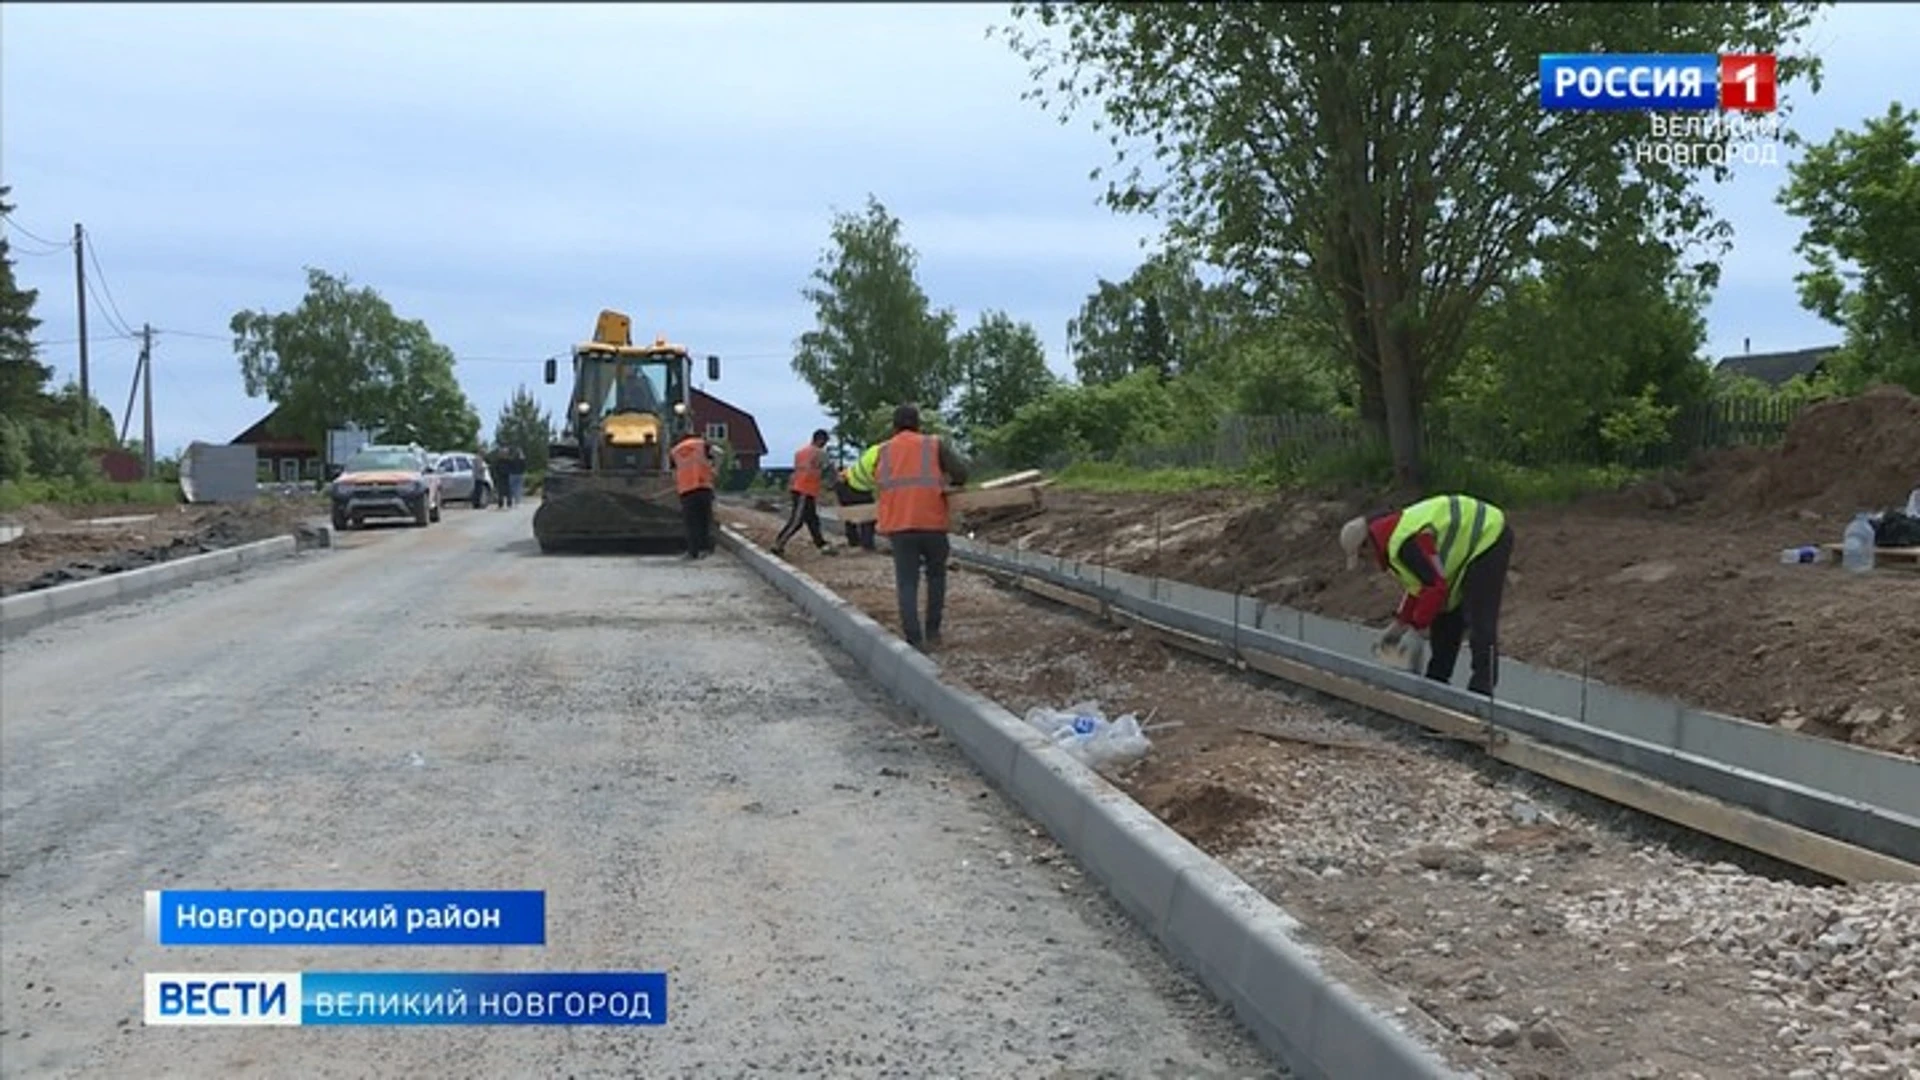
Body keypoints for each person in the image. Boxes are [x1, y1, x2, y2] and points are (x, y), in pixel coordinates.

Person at [1338, 493, 1515, 695]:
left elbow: (1434, 586)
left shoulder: (1405, 542)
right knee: (1445, 611)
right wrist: (1400, 624)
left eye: (1362, 556)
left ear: (1367, 544)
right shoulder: (1393, 541)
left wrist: (1416, 630)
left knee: (1479, 617)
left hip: (1488, 534)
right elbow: (1419, 587)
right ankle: (1437, 683)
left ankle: (1482, 693)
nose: (1367, 562)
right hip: (1464, 550)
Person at [874, 404, 968, 651]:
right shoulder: (934, 444)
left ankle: (914, 638)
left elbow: (880, 483)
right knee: (936, 577)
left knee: (907, 582)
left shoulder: (883, 451)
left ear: (894, 427)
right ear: (918, 424)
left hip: (900, 526)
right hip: (932, 522)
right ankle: (933, 632)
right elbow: (961, 472)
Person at [772, 429, 837, 558]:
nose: (825, 445)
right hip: (805, 490)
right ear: (820, 440)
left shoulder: (800, 453)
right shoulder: (820, 453)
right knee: (797, 521)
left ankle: (822, 544)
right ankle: (778, 544)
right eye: (825, 442)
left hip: (799, 488)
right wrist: (834, 483)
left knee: (812, 519)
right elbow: (830, 470)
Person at [670, 428, 721, 559]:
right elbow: (720, 452)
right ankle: (705, 549)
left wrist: (678, 485)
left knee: (691, 523)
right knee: (705, 519)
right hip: (704, 487)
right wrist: (715, 469)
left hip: (687, 491)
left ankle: (693, 552)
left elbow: (674, 473)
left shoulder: (675, 451)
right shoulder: (702, 445)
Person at [835, 443, 881, 552]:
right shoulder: (885, 461)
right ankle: (866, 545)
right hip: (853, 485)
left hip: (844, 481)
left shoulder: (876, 449)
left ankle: (854, 542)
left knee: (852, 515)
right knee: (868, 516)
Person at [486, 446, 511, 511]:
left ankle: (509, 503)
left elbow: (512, 468)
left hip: (507, 476)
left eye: (505, 453)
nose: (503, 454)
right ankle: (500, 504)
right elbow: (494, 468)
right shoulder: (498, 461)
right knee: (500, 491)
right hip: (500, 476)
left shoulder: (509, 460)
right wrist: (495, 475)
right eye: (502, 453)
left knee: (508, 491)